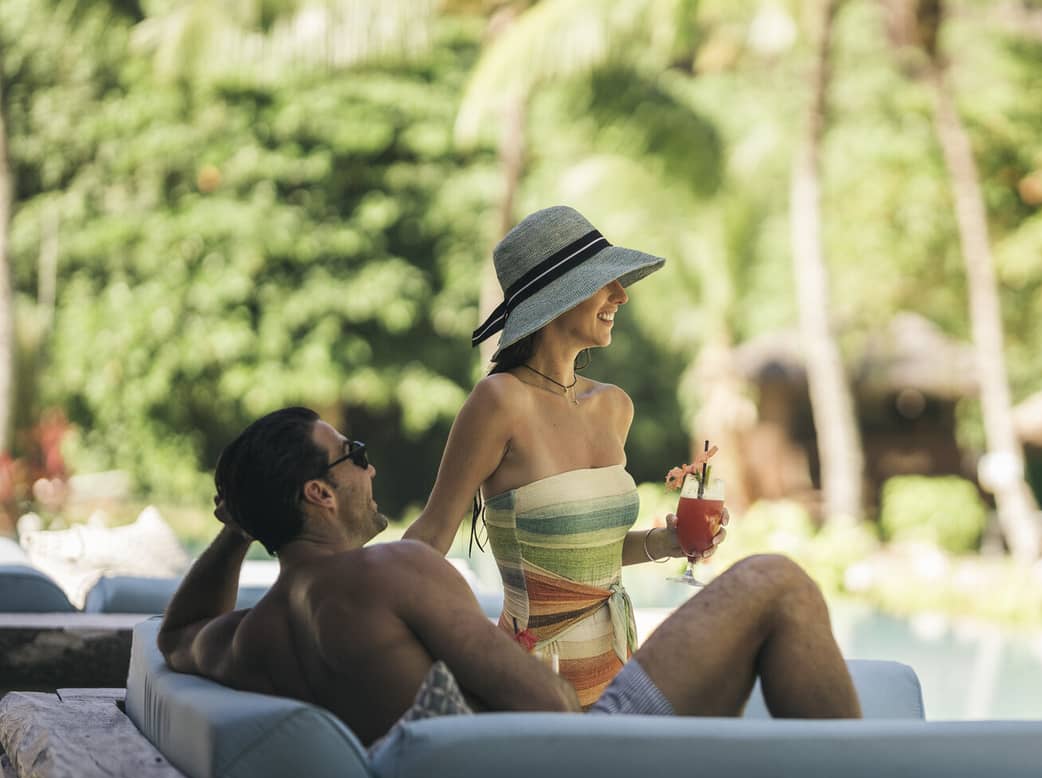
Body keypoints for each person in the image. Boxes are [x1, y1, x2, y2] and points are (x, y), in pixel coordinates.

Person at [158, 407, 860, 747]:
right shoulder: (394, 570)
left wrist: (240, 526)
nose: (369, 467)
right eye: (354, 454)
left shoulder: (250, 639)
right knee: (776, 581)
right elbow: (551, 707)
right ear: (319, 494)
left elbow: (177, 632)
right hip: (575, 776)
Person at [403, 205, 712, 708]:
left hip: (617, 674)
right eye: (604, 282)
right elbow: (432, 534)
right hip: (530, 686)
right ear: (557, 296)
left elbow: (589, 556)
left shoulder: (614, 406)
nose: (621, 295)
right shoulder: (499, 401)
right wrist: (368, 618)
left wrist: (669, 542)